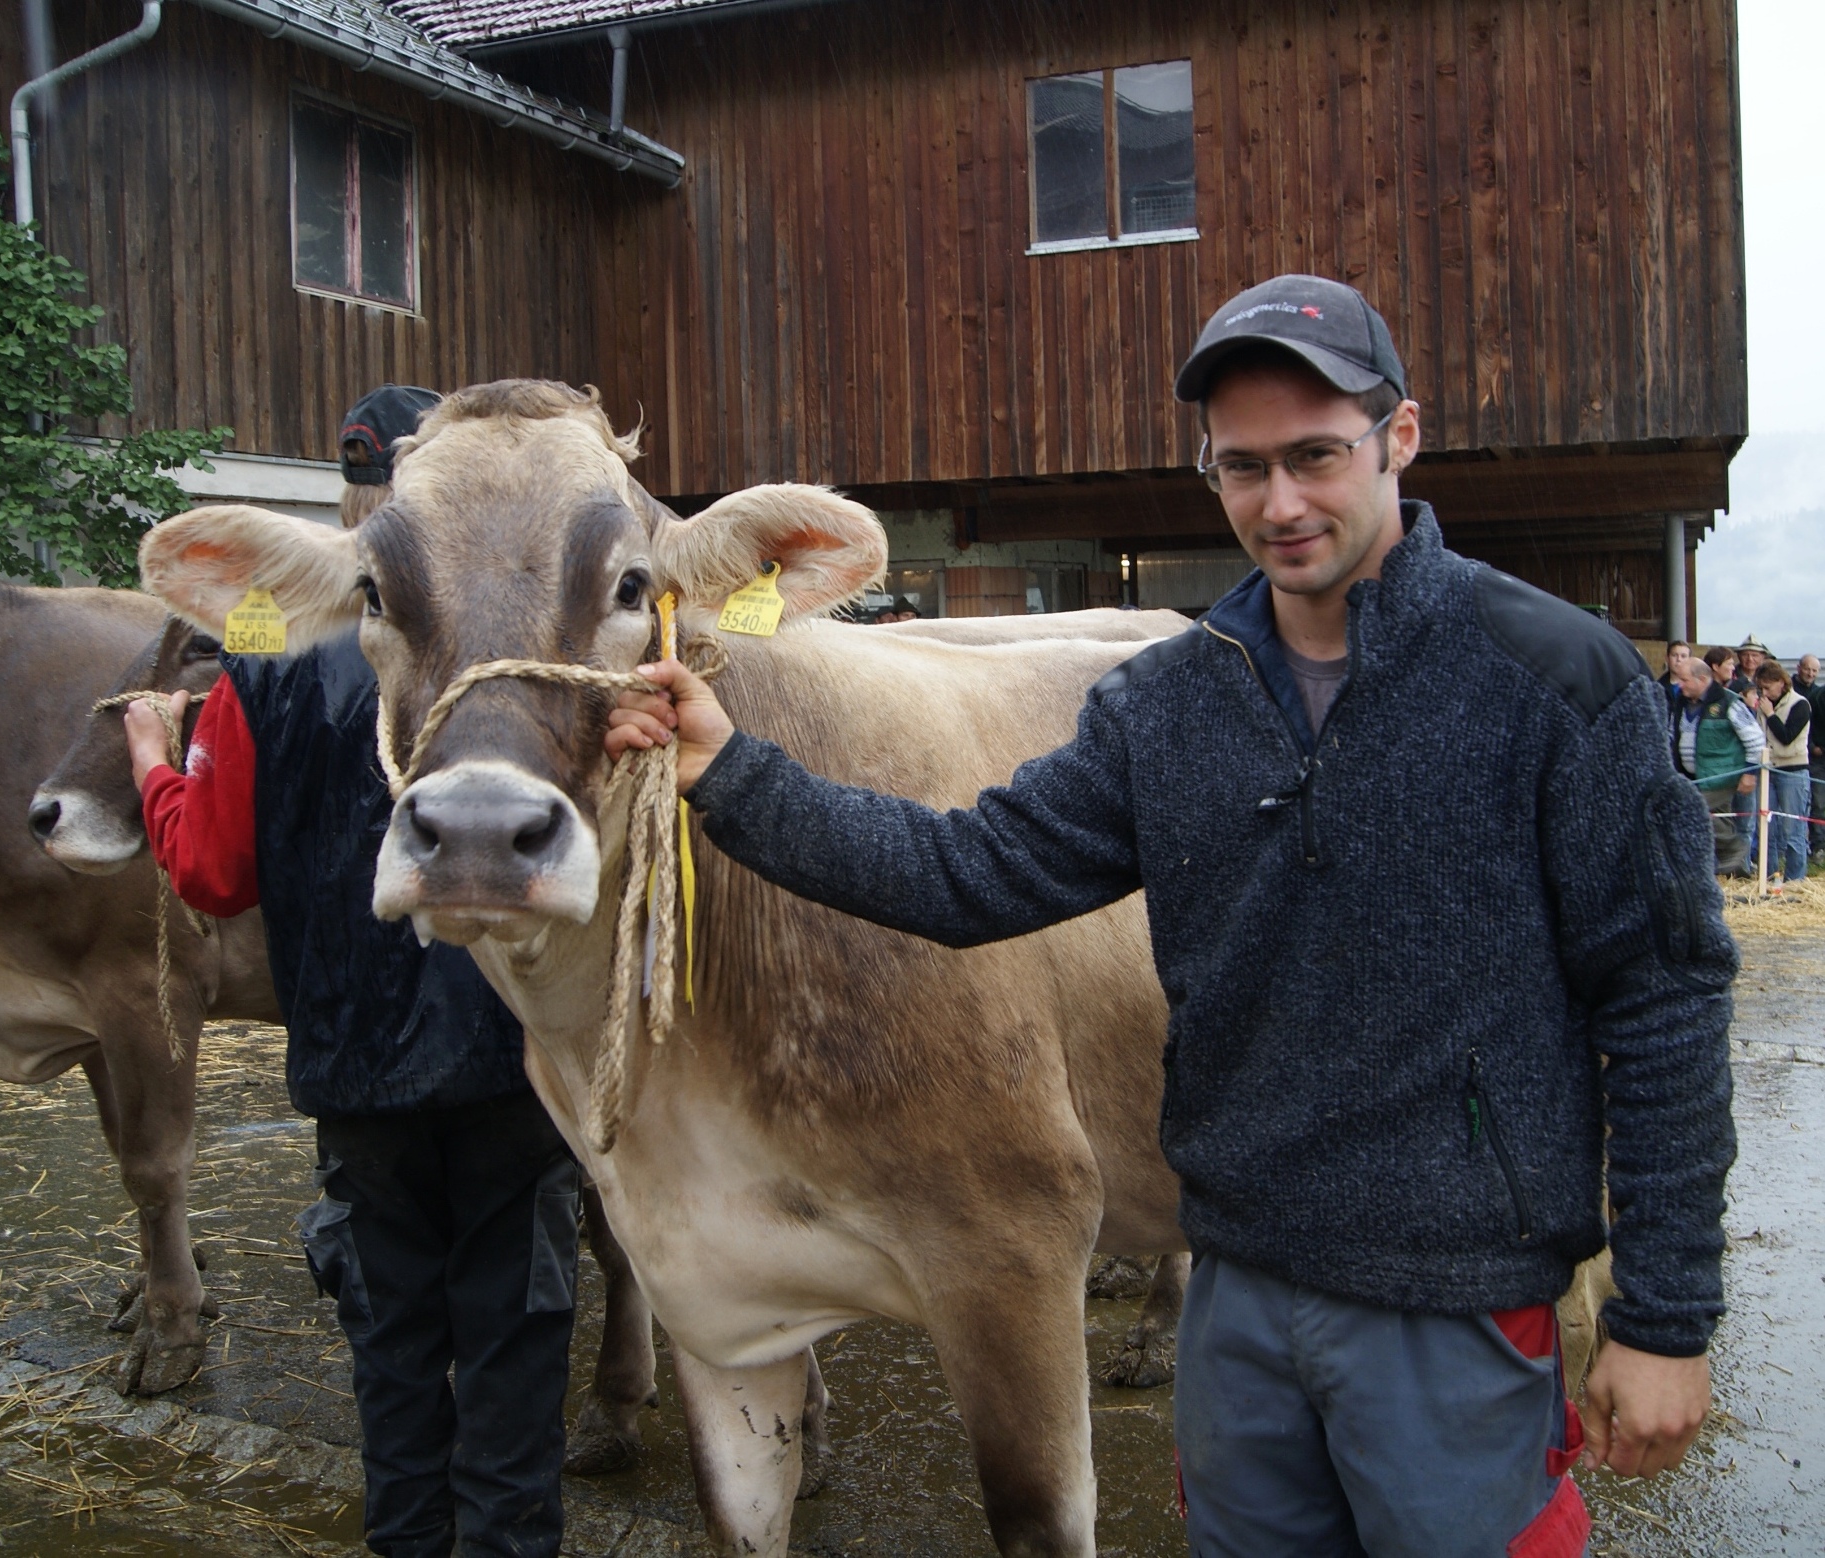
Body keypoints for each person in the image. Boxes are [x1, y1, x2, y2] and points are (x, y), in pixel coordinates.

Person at [610, 276, 1736, 1558]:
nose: (1280, 502)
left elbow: (1664, 995)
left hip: (1455, 1299)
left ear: (1400, 438)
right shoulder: (1171, 703)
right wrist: (734, 772)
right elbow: (971, 871)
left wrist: (1664, 1316)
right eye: (1242, 467)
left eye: (1316, 456)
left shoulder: (1551, 678)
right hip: (1240, 1294)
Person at [124, 384, 579, 1558]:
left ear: (346, 495)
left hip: (354, 1064)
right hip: (514, 1056)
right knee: (518, 1334)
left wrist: (153, 762)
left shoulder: (263, 660)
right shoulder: (521, 632)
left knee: (391, 1343)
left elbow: (211, 872)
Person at [1677, 656, 1764, 878]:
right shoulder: (1681, 703)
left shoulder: (1729, 702)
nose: (1679, 684)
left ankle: (1735, 849)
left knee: (1689, 809)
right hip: (1694, 776)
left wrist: (1750, 773)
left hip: (1721, 776)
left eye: (1684, 680)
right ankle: (1737, 871)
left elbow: (1755, 739)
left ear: (1702, 679)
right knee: (1717, 820)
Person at [1757, 658, 1811, 882]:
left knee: (1792, 830)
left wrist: (1770, 715)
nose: (1764, 693)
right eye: (1761, 688)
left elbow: (1787, 738)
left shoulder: (1800, 704)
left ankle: (1795, 881)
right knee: (1767, 828)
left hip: (1793, 772)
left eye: (1767, 687)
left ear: (1781, 682)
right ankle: (1770, 878)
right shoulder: (1763, 704)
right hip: (1767, 770)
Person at [1802, 654, 1825, 856]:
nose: (1810, 673)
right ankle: (1818, 846)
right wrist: (1811, 747)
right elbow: (1806, 725)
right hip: (1818, 758)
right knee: (1818, 802)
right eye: (1807, 669)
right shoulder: (1817, 697)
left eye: (1814, 670)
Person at [1661, 640, 1693, 776]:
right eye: (1675, 655)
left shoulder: (1696, 689)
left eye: (1683, 656)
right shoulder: (1657, 687)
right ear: (1667, 658)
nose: (1679, 660)